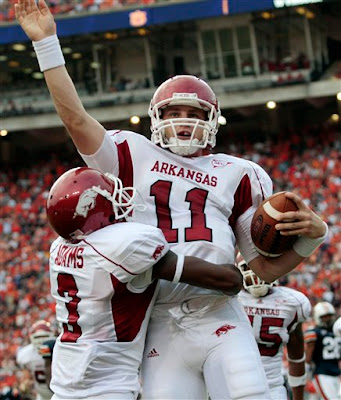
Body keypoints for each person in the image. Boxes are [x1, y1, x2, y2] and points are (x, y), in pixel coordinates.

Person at [15, 1, 329, 397]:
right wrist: (47, 44)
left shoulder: (240, 172)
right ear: (155, 118)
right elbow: (75, 119)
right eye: (174, 111)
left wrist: (312, 238)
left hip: (221, 313)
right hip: (159, 322)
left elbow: (262, 271)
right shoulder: (131, 152)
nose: (183, 120)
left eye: (194, 112)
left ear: (212, 120)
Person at [45, 166, 242, 399]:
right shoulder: (122, 246)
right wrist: (233, 269)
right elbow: (229, 281)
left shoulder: (59, 246)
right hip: (107, 387)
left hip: (64, 384)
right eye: (112, 196)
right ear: (94, 210)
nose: (120, 200)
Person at [237, 259, 311, 400]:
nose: (256, 273)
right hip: (233, 384)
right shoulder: (228, 296)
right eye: (249, 267)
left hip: (272, 387)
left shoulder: (292, 302)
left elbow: (296, 356)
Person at [304, 301, 341, 400]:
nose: (328, 319)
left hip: (336, 372)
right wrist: (305, 374)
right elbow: (309, 354)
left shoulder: (337, 330)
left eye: (329, 316)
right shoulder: (314, 332)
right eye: (325, 316)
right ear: (318, 317)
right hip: (322, 373)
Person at [16, 320, 56, 400]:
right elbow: (26, 378)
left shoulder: (58, 349)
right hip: (42, 396)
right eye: (38, 337)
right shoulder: (27, 354)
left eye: (44, 337)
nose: (41, 341)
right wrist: (25, 384)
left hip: (61, 394)